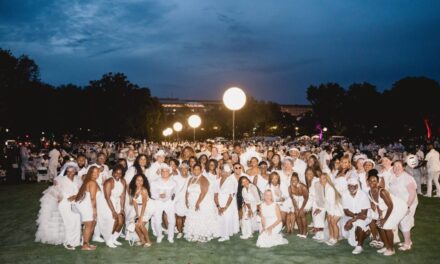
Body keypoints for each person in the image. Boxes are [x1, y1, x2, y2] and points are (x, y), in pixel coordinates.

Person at [367, 169, 406, 256]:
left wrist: (384, 219)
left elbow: (391, 206)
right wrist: (380, 217)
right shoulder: (369, 192)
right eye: (370, 181)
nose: (372, 182)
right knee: (380, 226)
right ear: (367, 182)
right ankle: (386, 246)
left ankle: (391, 249)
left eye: (374, 181)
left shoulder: (383, 192)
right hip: (387, 208)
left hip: (398, 207)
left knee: (387, 227)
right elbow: (377, 205)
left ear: (377, 182)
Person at [184, 164, 219, 242]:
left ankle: (202, 235)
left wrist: (198, 203)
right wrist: (186, 200)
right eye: (194, 169)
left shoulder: (203, 179)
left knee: (201, 218)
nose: (196, 171)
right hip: (191, 202)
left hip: (201, 201)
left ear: (201, 170)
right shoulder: (191, 179)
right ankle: (194, 233)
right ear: (192, 170)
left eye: (198, 169)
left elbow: (204, 192)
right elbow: (187, 191)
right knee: (193, 218)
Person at [389, 160, 418, 251]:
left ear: (403, 167)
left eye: (399, 166)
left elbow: (412, 193)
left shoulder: (407, 178)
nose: (396, 167)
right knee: (401, 223)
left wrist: (408, 206)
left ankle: (407, 244)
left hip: (408, 203)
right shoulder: (393, 176)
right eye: (395, 166)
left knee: (405, 222)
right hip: (399, 204)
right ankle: (408, 240)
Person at [98, 165, 126, 248]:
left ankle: (114, 238)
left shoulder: (123, 181)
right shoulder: (109, 182)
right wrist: (113, 211)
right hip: (107, 203)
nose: (118, 175)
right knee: (113, 221)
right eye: (116, 173)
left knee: (121, 221)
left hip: (117, 202)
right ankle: (108, 240)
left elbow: (123, 196)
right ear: (112, 172)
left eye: (120, 173)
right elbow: (107, 197)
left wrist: (122, 208)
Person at [341, 178, 371, 255]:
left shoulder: (363, 195)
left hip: (363, 217)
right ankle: (366, 233)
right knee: (352, 241)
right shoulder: (344, 194)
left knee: (360, 224)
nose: (351, 188)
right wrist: (352, 218)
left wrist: (351, 221)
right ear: (348, 186)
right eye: (350, 186)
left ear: (357, 186)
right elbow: (346, 211)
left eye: (353, 186)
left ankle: (359, 246)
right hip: (350, 215)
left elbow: (363, 213)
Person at [75, 166, 101, 250]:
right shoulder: (92, 183)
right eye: (94, 172)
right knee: (89, 224)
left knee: (93, 223)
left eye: (97, 172)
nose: (96, 174)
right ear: (90, 173)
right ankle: (85, 245)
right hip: (87, 205)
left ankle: (86, 242)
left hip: (88, 204)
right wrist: (94, 210)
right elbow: (92, 198)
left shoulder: (93, 181)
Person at [57, 163, 82, 250]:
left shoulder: (78, 179)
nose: (70, 173)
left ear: (75, 171)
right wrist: (63, 198)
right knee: (69, 223)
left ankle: (75, 241)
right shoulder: (60, 179)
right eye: (68, 171)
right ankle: (67, 242)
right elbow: (56, 192)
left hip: (76, 202)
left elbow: (82, 192)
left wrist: (75, 196)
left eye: (72, 171)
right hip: (65, 202)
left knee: (77, 220)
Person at [151, 164, 177, 243]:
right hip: (158, 202)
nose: (165, 173)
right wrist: (159, 196)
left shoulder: (173, 182)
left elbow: (176, 193)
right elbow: (152, 193)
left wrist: (173, 201)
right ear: (161, 172)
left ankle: (170, 237)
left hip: (169, 202)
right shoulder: (155, 182)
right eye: (163, 171)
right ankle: (159, 236)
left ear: (169, 172)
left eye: (167, 171)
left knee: (172, 220)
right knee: (157, 220)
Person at [130, 173, 157, 247]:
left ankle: (148, 241)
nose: (139, 182)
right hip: (139, 208)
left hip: (148, 207)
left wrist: (141, 217)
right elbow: (134, 202)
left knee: (141, 224)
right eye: (138, 180)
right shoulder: (133, 189)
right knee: (135, 225)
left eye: (141, 180)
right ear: (135, 181)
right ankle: (142, 240)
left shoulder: (144, 190)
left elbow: (144, 204)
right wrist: (137, 215)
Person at [214, 164, 239, 242]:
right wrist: (218, 206)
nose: (224, 172)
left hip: (227, 203)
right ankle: (219, 233)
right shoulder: (217, 181)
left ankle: (226, 235)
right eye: (222, 170)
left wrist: (225, 207)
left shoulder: (231, 181)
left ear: (228, 172)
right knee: (219, 217)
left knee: (226, 218)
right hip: (218, 202)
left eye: (225, 171)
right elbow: (215, 195)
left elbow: (231, 195)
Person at [287, 173, 308, 237]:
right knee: (296, 214)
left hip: (304, 200)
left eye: (295, 180)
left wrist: (301, 208)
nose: (293, 181)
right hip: (296, 201)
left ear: (298, 180)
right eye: (292, 180)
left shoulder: (303, 187)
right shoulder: (289, 188)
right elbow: (292, 199)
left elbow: (306, 198)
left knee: (301, 214)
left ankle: (305, 232)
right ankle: (300, 231)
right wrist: (296, 208)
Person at [173, 162, 191, 239]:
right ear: (179, 170)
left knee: (187, 216)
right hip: (178, 199)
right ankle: (180, 232)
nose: (184, 170)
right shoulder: (176, 177)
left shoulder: (191, 178)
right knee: (179, 216)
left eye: (185, 168)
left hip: (189, 199)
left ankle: (185, 230)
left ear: (188, 169)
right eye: (182, 168)